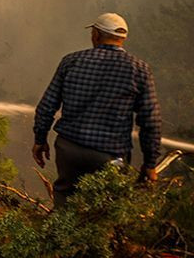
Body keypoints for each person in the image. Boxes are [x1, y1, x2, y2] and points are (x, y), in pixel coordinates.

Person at [32, 12, 161, 209]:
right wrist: (150, 163)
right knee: (107, 210)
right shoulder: (139, 69)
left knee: (65, 201)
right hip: (110, 155)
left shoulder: (71, 61)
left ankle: (61, 238)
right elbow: (150, 121)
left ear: (96, 35)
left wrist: (40, 140)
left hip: (69, 149)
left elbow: (47, 105)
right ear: (122, 39)